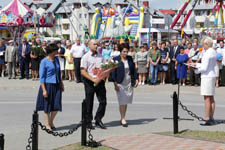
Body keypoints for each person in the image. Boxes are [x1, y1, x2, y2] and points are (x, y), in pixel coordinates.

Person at [36, 43, 64, 130]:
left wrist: (61, 83)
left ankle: (51, 121)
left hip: (57, 84)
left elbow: (58, 72)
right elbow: (42, 77)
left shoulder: (56, 59)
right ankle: (47, 124)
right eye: (56, 50)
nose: (57, 52)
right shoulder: (44, 61)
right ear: (52, 51)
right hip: (48, 85)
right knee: (47, 105)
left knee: (56, 105)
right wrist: (44, 90)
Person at [80, 39, 107, 130]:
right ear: (89, 45)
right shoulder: (85, 57)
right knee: (89, 102)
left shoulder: (101, 56)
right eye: (94, 44)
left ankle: (98, 119)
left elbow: (103, 68)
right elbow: (83, 71)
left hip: (100, 81)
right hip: (90, 81)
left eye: (97, 44)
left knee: (103, 101)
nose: (96, 46)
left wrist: (104, 76)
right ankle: (88, 121)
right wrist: (92, 79)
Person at [112, 43, 138, 127]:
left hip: (129, 82)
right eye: (124, 52)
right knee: (122, 101)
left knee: (126, 100)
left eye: (127, 51)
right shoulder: (116, 59)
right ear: (120, 51)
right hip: (120, 82)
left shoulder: (130, 59)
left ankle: (123, 117)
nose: (125, 53)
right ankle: (122, 118)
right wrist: (115, 83)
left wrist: (136, 79)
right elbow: (113, 72)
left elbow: (134, 70)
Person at [193, 37, 217, 126]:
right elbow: (207, 65)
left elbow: (204, 68)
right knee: (211, 98)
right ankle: (211, 117)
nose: (203, 46)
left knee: (206, 98)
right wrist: (197, 64)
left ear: (207, 44)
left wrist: (196, 69)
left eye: (203, 45)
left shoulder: (207, 53)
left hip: (206, 77)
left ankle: (207, 118)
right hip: (212, 75)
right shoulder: (214, 52)